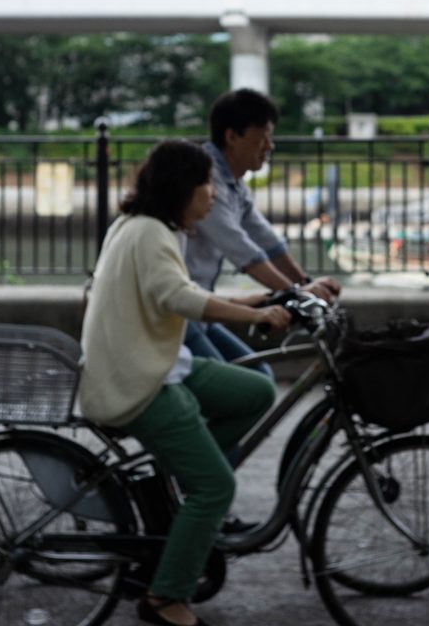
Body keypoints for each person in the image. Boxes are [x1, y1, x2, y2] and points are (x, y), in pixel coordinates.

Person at [80, 140, 290, 626]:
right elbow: (178, 298)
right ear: (183, 187)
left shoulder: (143, 227)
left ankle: (176, 476)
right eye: (206, 183)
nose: (214, 194)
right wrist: (252, 313)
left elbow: (183, 289)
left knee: (256, 390)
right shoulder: (151, 233)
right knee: (215, 486)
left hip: (155, 363)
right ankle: (165, 598)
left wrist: (262, 297)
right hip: (141, 381)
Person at [182, 89, 341, 375]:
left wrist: (305, 283)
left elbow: (267, 241)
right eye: (263, 136)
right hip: (179, 313)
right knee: (243, 389)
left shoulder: (235, 184)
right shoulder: (203, 177)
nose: (270, 145)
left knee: (259, 375)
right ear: (232, 137)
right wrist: (296, 292)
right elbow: (241, 248)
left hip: (199, 309)